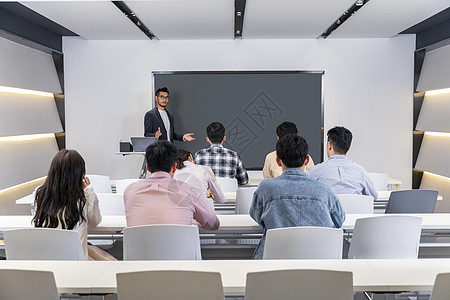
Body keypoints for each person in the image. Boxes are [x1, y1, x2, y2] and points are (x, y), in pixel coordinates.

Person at [250, 134, 345, 259]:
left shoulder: (266, 188)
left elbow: (257, 216)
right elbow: (339, 220)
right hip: (317, 261)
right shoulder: (324, 190)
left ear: (278, 161)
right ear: (307, 160)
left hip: (274, 261)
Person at [32, 149, 115, 261]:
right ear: (79, 174)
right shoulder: (85, 198)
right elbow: (95, 221)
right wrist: (86, 191)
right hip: (76, 261)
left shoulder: (40, 195)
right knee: (110, 262)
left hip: (48, 259)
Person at [124, 140, 220, 230]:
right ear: (174, 167)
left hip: (139, 248)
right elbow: (213, 224)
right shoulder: (190, 192)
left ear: (147, 168)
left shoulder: (130, 191)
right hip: (180, 248)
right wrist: (190, 222)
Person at [308, 126, 378, 199]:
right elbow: (374, 197)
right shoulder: (360, 172)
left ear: (329, 145)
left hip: (327, 210)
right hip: (353, 210)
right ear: (349, 148)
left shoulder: (315, 171)